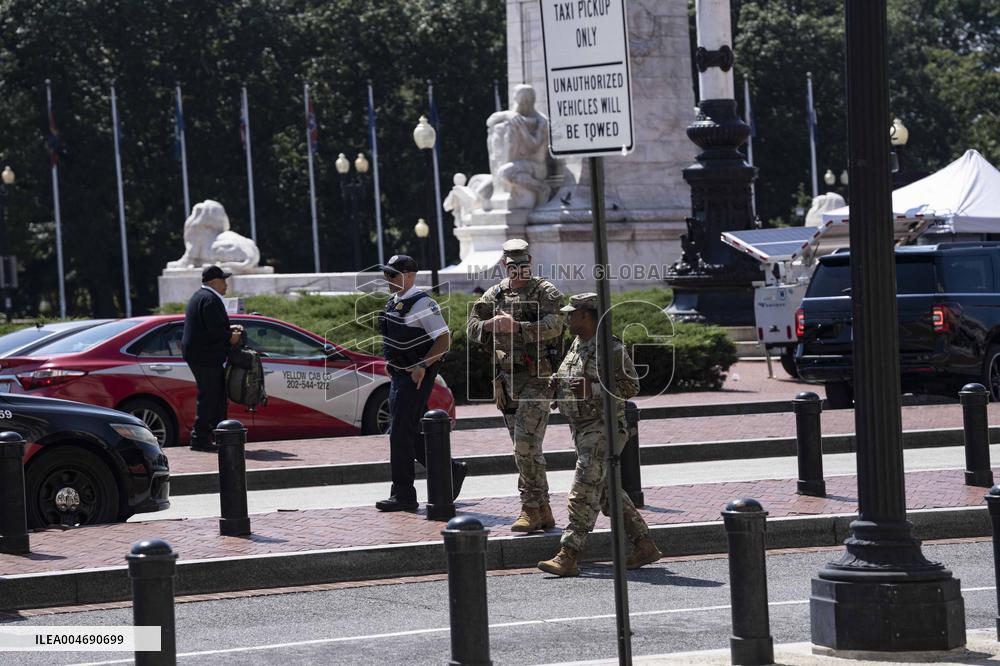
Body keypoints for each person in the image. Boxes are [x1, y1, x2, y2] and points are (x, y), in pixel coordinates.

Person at [537, 293, 662, 577]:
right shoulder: (577, 343)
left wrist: (592, 390)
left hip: (603, 427)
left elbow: (631, 388)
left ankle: (568, 554)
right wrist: (557, 387)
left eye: (573, 313)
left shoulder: (612, 348)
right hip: (580, 427)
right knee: (606, 493)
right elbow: (570, 376)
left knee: (583, 490)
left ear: (588, 316)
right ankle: (644, 544)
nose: (568, 318)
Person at [466, 239, 564, 532]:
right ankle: (543, 509)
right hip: (506, 382)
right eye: (512, 267)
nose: (518, 272)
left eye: (524, 266)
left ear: (530, 264)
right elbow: (470, 327)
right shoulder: (494, 294)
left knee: (525, 445)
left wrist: (519, 327)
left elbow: (557, 325)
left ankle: (530, 509)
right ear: (503, 266)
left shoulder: (544, 291)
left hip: (538, 379)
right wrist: (488, 326)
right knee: (526, 449)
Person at [376, 254, 468, 512]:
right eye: (386, 274)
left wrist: (422, 366)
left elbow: (443, 340)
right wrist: (391, 362)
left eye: (393, 275)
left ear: (410, 275)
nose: (388, 279)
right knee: (403, 432)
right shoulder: (395, 302)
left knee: (399, 433)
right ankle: (449, 469)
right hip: (399, 374)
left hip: (415, 376)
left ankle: (403, 494)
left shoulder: (422, 303)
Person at [181, 265, 243, 452]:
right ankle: (200, 438)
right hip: (205, 356)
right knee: (209, 395)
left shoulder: (201, 296)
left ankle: (218, 434)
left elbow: (210, 326)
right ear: (213, 282)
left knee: (215, 396)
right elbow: (214, 330)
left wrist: (227, 330)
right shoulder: (210, 299)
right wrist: (231, 337)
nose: (226, 284)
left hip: (201, 354)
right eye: (223, 280)